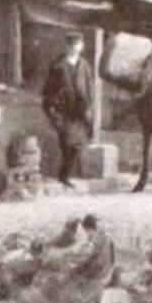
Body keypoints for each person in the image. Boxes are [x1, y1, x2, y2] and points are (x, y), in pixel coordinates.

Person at [42, 31, 95, 187]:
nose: (74, 48)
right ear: (66, 46)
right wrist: (52, 112)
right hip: (63, 112)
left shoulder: (84, 65)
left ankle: (63, 176)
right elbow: (48, 91)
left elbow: (89, 88)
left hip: (80, 112)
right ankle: (63, 177)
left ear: (81, 46)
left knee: (77, 145)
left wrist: (89, 108)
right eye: (71, 45)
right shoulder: (57, 66)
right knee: (67, 144)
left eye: (77, 44)